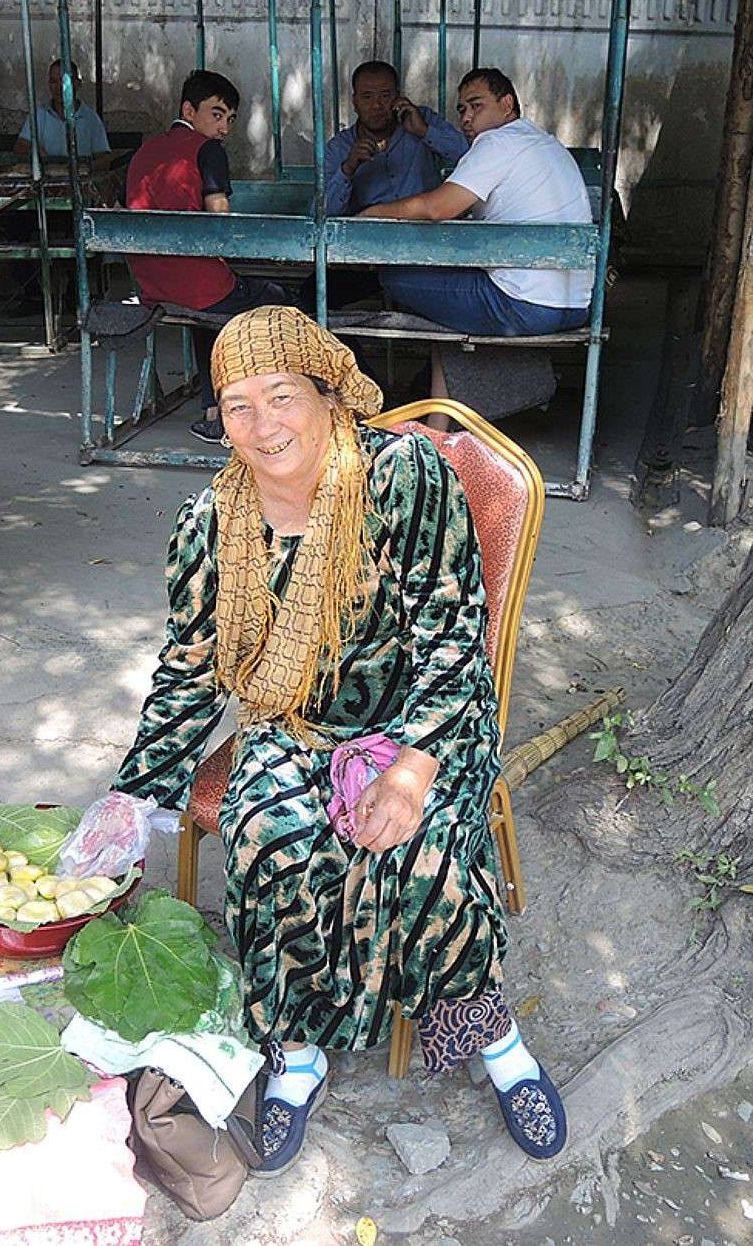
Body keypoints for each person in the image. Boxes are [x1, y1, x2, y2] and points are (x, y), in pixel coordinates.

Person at [112, 305, 568, 1176]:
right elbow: (191, 665)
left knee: (422, 846)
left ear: (328, 394)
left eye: (281, 395)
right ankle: (301, 1053)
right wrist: (137, 794)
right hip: (299, 723)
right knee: (266, 835)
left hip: (429, 717)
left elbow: (451, 641)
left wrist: (408, 772)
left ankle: (496, 1041)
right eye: (237, 404)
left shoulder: (402, 478)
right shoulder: (214, 518)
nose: (261, 424)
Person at [359, 67, 592, 413]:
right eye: (462, 110)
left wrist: (370, 215)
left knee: (394, 277)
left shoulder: (497, 142)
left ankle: (450, 401)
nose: (467, 117)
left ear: (507, 104)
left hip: (523, 306)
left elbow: (438, 207)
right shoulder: (545, 143)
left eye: (476, 106)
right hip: (576, 307)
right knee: (444, 305)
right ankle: (439, 418)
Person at [125, 69, 296, 444]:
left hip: (154, 286)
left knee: (210, 311)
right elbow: (220, 219)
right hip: (197, 286)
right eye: (216, 114)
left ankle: (213, 410)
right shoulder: (207, 150)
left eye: (230, 119)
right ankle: (278, 405)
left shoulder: (144, 152)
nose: (223, 128)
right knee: (285, 299)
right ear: (189, 109)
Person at [312, 60, 467, 310]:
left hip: (427, 252)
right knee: (312, 295)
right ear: (354, 102)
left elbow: (469, 155)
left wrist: (424, 131)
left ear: (397, 97)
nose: (377, 105)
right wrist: (348, 169)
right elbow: (320, 215)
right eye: (367, 96)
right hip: (369, 258)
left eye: (385, 96)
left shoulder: (420, 120)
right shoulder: (339, 148)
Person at [15, 59, 110, 160]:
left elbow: (103, 158)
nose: (59, 87)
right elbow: (20, 147)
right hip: (47, 175)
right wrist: (35, 151)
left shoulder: (91, 119)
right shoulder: (38, 115)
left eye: (65, 81)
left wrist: (83, 168)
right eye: (53, 81)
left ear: (78, 84)